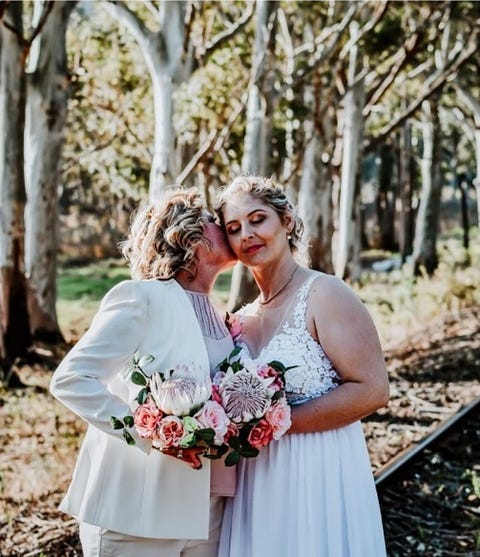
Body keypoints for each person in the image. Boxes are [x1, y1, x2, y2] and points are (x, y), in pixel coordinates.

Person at [50, 186, 237, 557]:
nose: (230, 227)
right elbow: (72, 379)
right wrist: (154, 433)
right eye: (215, 221)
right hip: (137, 513)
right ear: (191, 237)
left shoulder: (220, 314)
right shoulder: (141, 297)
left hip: (208, 512)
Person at [214, 176, 390, 557]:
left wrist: (274, 422)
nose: (247, 233)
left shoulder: (326, 294)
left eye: (258, 219)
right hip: (256, 482)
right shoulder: (240, 321)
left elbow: (373, 389)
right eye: (234, 228)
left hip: (317, 474)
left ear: (287, 221)